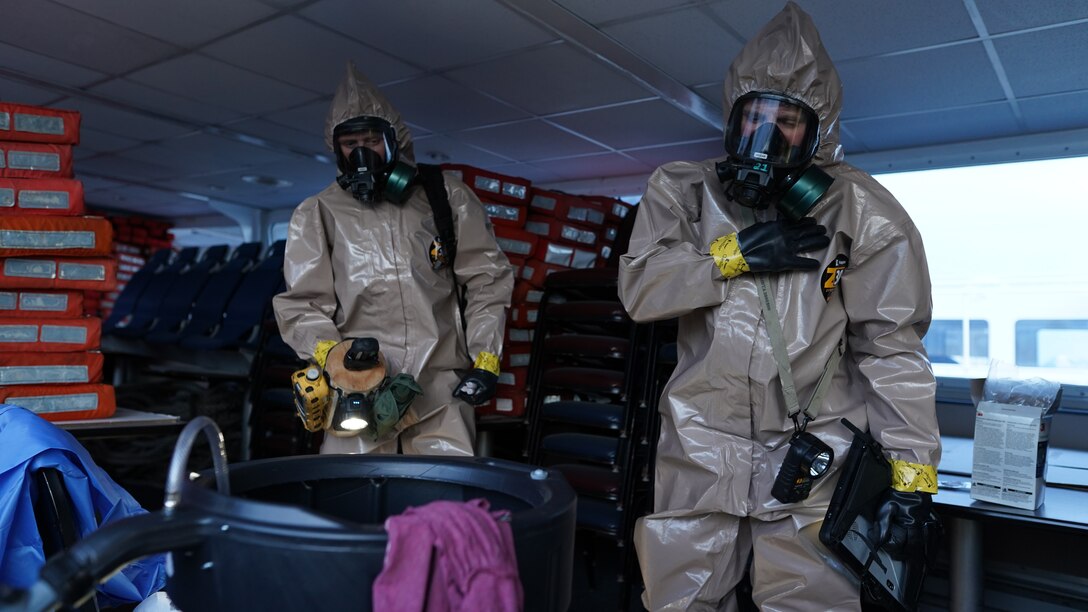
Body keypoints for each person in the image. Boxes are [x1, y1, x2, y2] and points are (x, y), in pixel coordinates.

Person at [618, 3, 941, 610]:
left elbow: (891, 348)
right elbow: (641, 289)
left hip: (815, 455)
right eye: (755, 116)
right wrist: (730, 256)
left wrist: (913, 475)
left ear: (819, 132)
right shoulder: (683, 190)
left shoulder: (864, 214)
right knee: (678, 600)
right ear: (733, 117)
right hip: (700, 443)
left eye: (788, 120)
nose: (766, 135)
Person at [273, 61, 514, 456]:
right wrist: (333, 354)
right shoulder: (318, 212)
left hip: (440, 389)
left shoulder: (445, 198)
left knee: (443, 501)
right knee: (353, 502)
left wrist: (485, 359)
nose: (361, 153)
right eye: (351, 145)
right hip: (357, 387)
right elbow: (302, 305)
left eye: (371, 139)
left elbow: (487, 279)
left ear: (394, 140)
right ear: (337, 150)